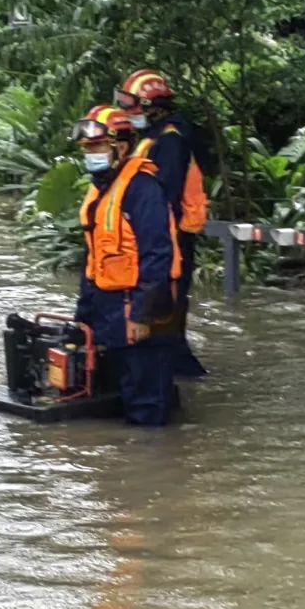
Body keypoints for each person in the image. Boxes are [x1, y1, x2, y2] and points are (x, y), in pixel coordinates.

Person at [72, 106, 182, 427]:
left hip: (136, 307)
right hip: (107, 307)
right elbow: (94, 259)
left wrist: (141, 315)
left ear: (120, 147)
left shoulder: (143, 189)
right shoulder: (102, 187)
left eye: (97, 147)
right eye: (87, 149)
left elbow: (157, 255)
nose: (91, 155)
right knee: (118, 391)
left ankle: (153, 465)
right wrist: (83, 318)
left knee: (146, 400)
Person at [115, 70, 209, 379]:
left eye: (132, 105)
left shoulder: (170, 140)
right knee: (164, 308)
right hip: (163, 233)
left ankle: (176, 374)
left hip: (171, 236)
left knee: (167, 306)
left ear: (151, 105)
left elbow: (164, 193)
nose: (128, 112)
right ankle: (172, 369)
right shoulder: (155, 135)